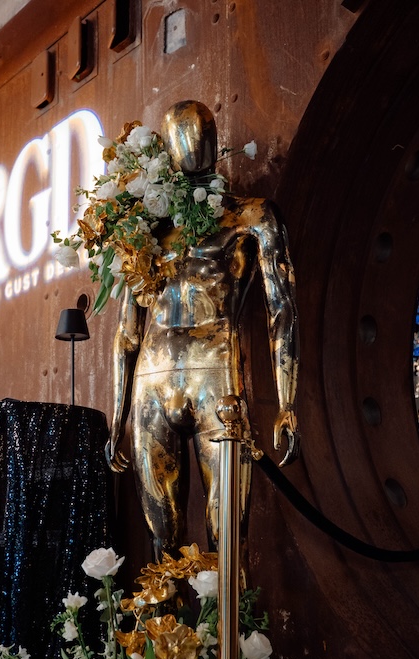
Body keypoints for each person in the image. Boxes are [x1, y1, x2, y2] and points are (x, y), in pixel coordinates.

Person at [105, 100, 300, 559]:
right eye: (182, 136)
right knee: (161, 539)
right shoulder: (143, 231)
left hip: (216, 375)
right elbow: (126, 333)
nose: (191, 144)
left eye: (200, 133)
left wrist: (288, 401)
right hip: (150, 382)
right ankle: (165, 632)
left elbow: (283, 309)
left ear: (215, 141)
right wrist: (117, 416)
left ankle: (227, 631)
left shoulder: (252, 217)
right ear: (167, 149)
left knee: (228, 534)